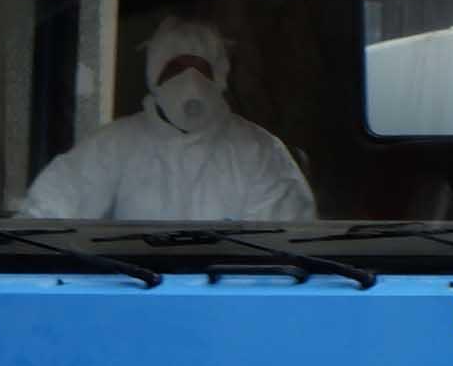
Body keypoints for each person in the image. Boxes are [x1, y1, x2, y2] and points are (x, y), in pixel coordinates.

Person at [24, 14, 315, 222]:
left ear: (219, 76)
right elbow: (50, 210)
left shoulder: (259, 152)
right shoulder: (114, 146)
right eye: (176, 69)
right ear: (155, 76)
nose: (191, 82)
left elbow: (283, 246)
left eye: (201, 69)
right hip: (137, 286)